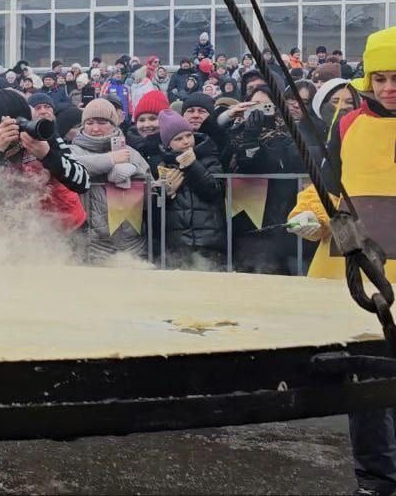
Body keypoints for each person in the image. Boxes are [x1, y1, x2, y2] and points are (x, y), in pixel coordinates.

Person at [283, 26, 396, 496]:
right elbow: (329, 187)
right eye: (381, 77)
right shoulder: (347, 125)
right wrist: (307, 214)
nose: (389, 88)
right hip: (363, 273)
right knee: (368, 382)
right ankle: (377, 480)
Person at [0, 88, 90, 231]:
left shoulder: (42, 134)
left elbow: (83, 183)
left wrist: (48, 155)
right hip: (17, 234)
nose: (16, 137)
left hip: (68, 227)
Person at [225, 85, 305, 275]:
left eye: (266, 106)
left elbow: (293, 162)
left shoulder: (289, 132)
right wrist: (250, 135)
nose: (260, 111)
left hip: (279, 214)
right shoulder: (237, 131)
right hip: (246, 217)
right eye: (256, 105)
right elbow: (245, 165)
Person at [68, 99, 151, 262]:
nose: (95, 128)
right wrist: (109, 161)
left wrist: (134, 170)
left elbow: (152, 193)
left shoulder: (129, 151)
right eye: (89, 123)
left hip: (132, 244)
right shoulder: (73, 150)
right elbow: (71, 166)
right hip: (92, 246)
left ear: (114, 124)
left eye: (102, 122)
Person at [154, 109, 226, 268]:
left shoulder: (208, 157)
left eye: (188, 135)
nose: (186, 141)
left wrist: (193, 166)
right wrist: (164, 193)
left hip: (210, 240)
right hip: (177, 244)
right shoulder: (161, 165)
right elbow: (154, 212)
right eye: (178, 139)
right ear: (168, 144)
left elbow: (214, 191)